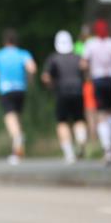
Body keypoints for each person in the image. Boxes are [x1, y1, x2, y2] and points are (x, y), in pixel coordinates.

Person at [81, 18, 111, 165]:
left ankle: (108, 149)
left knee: (101, 114)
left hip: (98, 80)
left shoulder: (91, 44)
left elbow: (83, 63)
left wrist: (89, 69)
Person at [0, 29, 37, 165]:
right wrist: (30, 80)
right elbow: (32, 68)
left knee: (10, 117)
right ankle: (18, 150)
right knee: (18, 117)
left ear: (5, 42)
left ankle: (17, 140)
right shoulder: (23, 54)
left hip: (6, 89)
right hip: (21, 89)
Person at [42, 30, 88, 164]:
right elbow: (86, 70)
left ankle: (69, 153)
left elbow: (46, 77)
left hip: (61, 93)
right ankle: (81, 140)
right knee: (79, 119)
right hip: (78, 92)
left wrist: (51, 85)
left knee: (62, 122)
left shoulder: (53, 58)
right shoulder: (78, 57)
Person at [76, 24, 99, 145]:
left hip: (87, 82)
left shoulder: (79, 46)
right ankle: (95, 137)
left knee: (90, 111)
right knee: (99, 110)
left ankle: (93, 138)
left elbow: (78, 64)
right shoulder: (97, 43)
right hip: (98, 80)